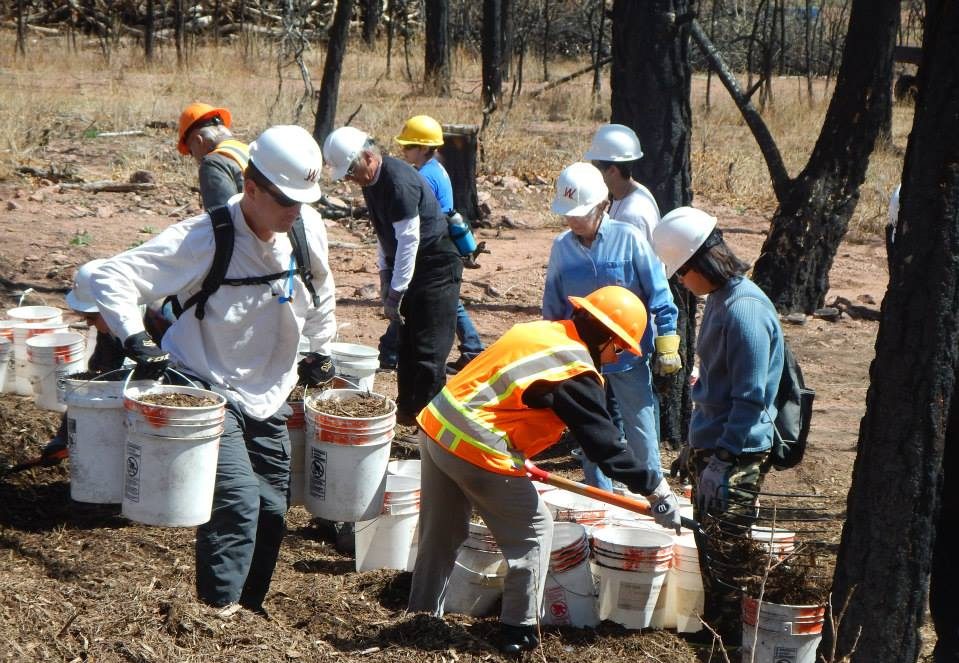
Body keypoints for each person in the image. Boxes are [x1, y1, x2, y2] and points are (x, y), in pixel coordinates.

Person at [91, 125, 337, 615]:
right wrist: (134, 337)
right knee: (238, 500)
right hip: (204, 387)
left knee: (272, 507)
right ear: (251, 187)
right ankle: (217, 612)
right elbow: (107, 275)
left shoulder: (305, 228)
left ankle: (249, 613)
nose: (295, 210)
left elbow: (321, 289)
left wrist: (321, 348)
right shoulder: (205, 237)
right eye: (286, 199)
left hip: (269, 391)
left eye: (303, 200)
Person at [408, 285, 682, 654]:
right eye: (618, 349)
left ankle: (420, 618)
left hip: (437, 425)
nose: (615, 358)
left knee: (440, 535)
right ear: (606, 337)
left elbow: (502, 395)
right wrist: (655, 489)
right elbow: (606, 448)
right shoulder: (574, 369)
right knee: (536, 530)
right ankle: (518, 632)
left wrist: (516, 448)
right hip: (474, 446)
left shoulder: (541, 332)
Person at [651, 206, 784, 641]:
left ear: (700, 264)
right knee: (710, 546)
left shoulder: (744, 310)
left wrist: (723, 459)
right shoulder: (721, 300)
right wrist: (695, 446)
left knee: (728, 555)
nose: (680, 282)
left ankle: (728, 642)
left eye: (681, 272)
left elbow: (750, 398)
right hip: (714, 447)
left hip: (737, 454)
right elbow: (714, 384)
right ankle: (714, 633)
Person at [542, 162, 681, 490]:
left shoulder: (629, 238)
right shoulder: (562, 247)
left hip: (629, 356)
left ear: (603, 205)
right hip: (584, 359)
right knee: (592, 432)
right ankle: (601, 499)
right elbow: (553, 304)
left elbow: (659, 291)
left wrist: (667, 342)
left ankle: (653, 494)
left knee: (641, 430)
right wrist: (551, 351)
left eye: (581, 213)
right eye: (568, 214)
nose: (574, 220)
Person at [323, 126, 462, 425]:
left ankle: (429, 424)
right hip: (410, 266)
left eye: (351, 171)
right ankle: (407, 413)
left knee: (428, 350)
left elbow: (409, 240)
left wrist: (396, 291)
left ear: (368, 156)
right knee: (407, 345)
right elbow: (384, 235)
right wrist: (385, 275)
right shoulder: (371, 182)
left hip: (436, 264)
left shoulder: (397, 182)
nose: (350, 179)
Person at [377, 114, 485, 375]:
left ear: (424, 148)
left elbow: (414, 216)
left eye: (408, 145)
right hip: (443, 242)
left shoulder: (424, 176)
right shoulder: (436, 168)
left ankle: (389, 352)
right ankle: (472, 348)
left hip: (432, 247)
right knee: (449, 301)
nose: (403, 150)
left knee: (408, 296)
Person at [584, 124, 660, 246]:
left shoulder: (631, 216)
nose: (592, 172)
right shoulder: (636, 192)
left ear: (612, 171)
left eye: (595, 166)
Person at [177, 102, 250, 209]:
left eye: (191, 152)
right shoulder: (250, 150)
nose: (194, 158)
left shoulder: (213, 163)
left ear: (199, 141)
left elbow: (223, 217)